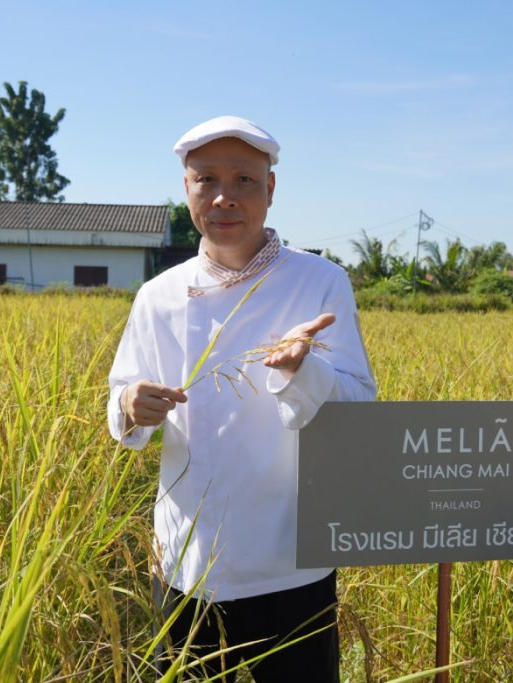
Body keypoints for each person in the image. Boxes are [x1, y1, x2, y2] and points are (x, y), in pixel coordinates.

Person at [108, 115, 376, 681]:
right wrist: (132, 406)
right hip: (186, 558)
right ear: (186, 190)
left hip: (291, 561)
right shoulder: (158, 295)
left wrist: (305, 370)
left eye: (245, 181)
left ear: (271, 190)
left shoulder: (320, 282)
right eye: (206, 179)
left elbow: (358, 409)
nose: (224, 196)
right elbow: (122, 397)